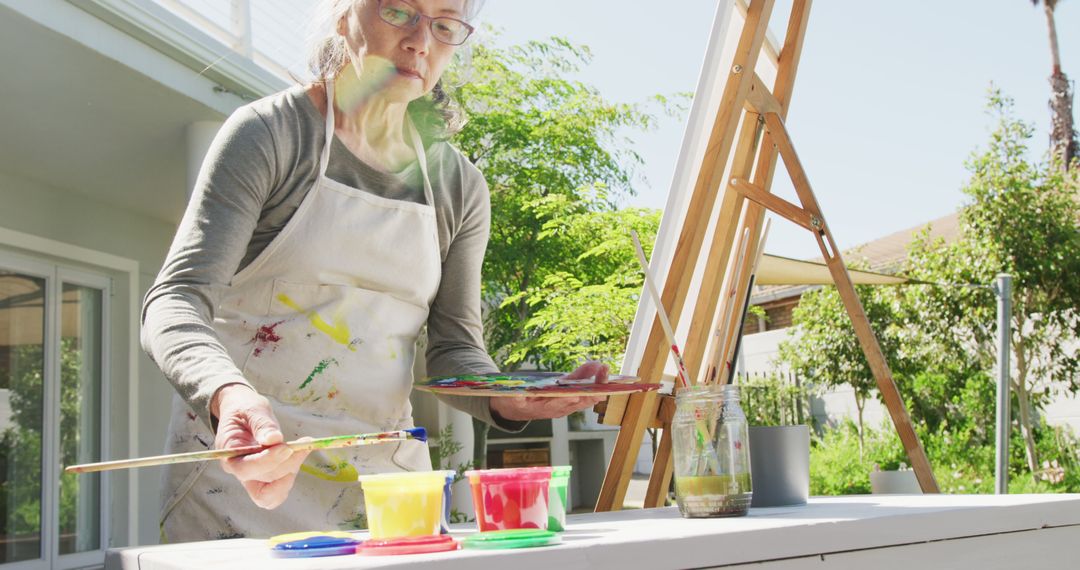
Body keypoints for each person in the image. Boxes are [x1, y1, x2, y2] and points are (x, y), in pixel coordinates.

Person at [141, 0, 608, 542]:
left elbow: (455, 350)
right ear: (343, 15)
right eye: (398, 12)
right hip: (243, 478)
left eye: (443, 24)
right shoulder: (272, 135)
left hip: (388, 493)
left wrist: (507, 395)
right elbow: (175, 301)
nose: (420, 41)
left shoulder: (458, 186)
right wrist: (228, 395)